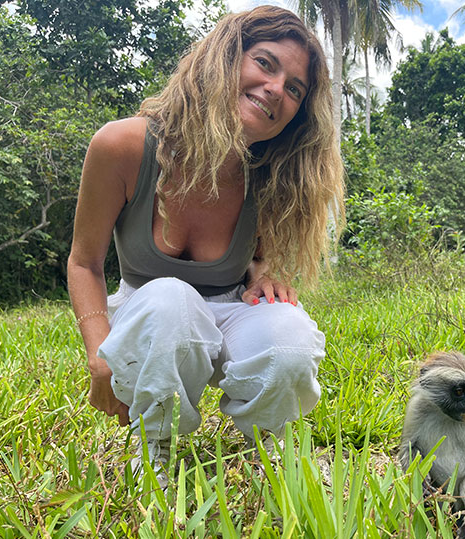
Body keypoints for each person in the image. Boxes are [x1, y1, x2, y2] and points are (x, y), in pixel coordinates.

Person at [66, 5, 344, 474]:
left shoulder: (271, 174)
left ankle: (269, 443)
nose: (276, 89)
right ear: (224, 58)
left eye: (294, 89)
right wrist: (99, 355)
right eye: (264, 63)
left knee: (292, 337)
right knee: (171, 301)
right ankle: (156, 444)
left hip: (229, 311)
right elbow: (84, 263)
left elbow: (255, 256)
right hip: (153, 319)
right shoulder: (124, 146)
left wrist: (264, 275)